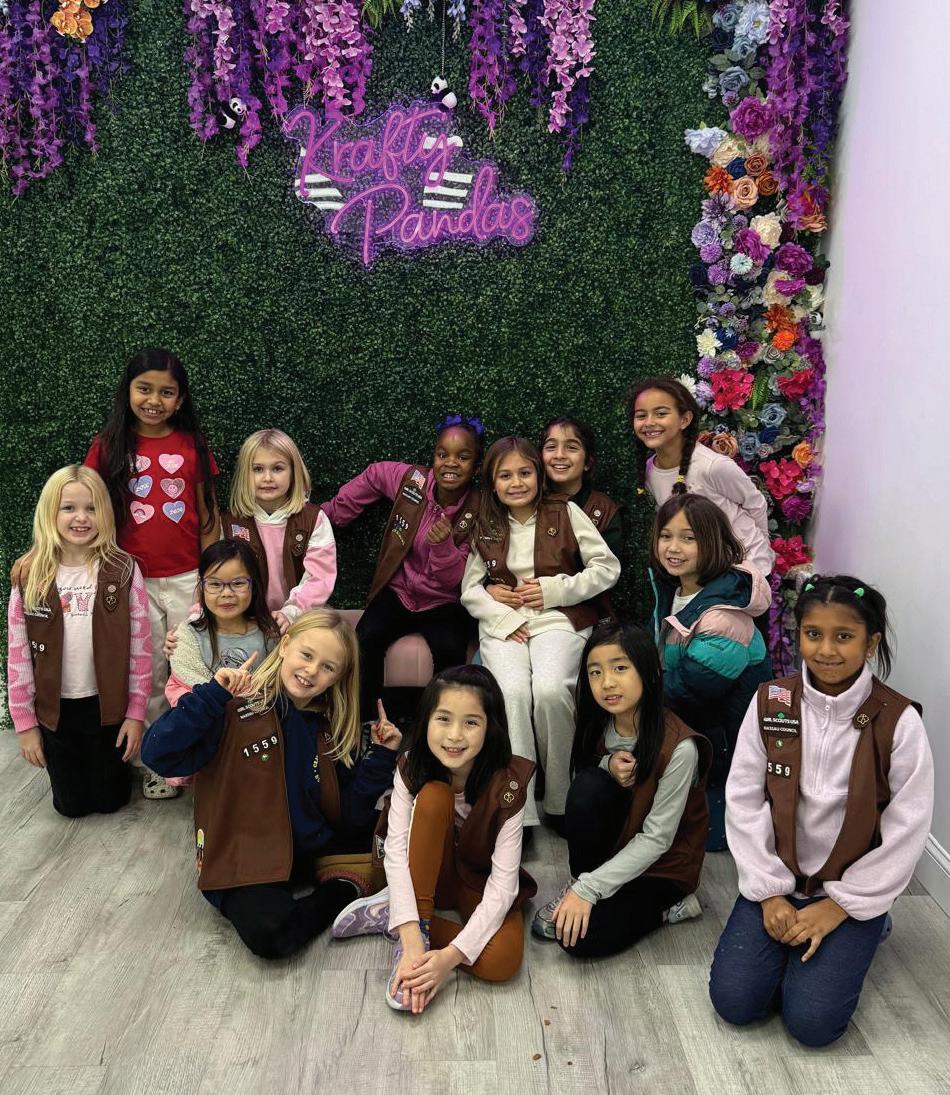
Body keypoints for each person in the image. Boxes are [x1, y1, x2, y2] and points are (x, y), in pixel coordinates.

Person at [709, 576, 934, 1047]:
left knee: (812, 1025)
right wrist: (769, 893)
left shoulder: (899, 721)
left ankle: (871, 921)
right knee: (736, 1003)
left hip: (847, 891)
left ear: (871, 643)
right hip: (778, 880)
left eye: (844, 636)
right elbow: (744, 800)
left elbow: (906, 830)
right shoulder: (770, 703)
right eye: (814, 634)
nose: (826, 650)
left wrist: (842, 906)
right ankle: (798, 942)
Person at [141, 609, 401, 959]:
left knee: (401, 834)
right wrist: (210, 696)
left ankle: (353, 883)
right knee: (271, 935)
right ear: (285, 645)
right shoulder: (231, 706)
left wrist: (382, 755)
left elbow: (349, 813)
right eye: (306, 655)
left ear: (339, 677)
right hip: (248, 856)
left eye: (328, 667)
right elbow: (157, 754)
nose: (311, 670)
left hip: (309, 848)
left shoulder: (330, 726)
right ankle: (345, 889)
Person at [331, 665, 536, 1013]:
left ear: (491, 728)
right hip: (425, 875)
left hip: (475, 878)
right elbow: (396, 851)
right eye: (443, 719)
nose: (454, 735)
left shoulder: (509, 782)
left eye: (471, 722)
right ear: (426, 720)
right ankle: (412, 928)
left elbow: (503, 887)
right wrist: (413, 941)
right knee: (435, 795)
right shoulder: (411, 765)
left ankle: (391, 916)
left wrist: (447, 959)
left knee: (503, 960)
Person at [461, 436, 620, 829]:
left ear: (538, 475)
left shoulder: (564, 511)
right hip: (504, 624)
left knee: (550, 691)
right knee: (512, 694)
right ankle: (520, 809)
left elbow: (607, 567)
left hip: (558, 617)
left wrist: (555, 590)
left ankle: (560, 800)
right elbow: (469, 590)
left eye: (525, 473)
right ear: (492, 482)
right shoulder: (485, 521)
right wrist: (500, 614)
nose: (516, 483)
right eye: (505, 476)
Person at [85, 348, 220, 799]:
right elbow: (87, 508)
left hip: (187, 578)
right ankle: (157, 763)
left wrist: (210, 576)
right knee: (149, 671)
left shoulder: (193, 445)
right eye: (144, 389)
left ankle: (200, 757)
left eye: (166, 392)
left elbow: (207, 517)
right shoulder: (108, 446)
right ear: (128, 391)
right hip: (131, 581)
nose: (154, 400)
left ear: (180, 400)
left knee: (191, 666)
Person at [532, 622, 710, 955]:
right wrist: (607, 765)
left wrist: (590, 890)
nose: (607, 683)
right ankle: (581, 881)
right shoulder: (598, 719)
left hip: (663, 866)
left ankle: (673, 907)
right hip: (620, 844)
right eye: (595, 672)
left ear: (649, 672)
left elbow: (657, 839)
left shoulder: (680, 748)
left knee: (578, 938)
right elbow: (588, 786)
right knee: (587, 786)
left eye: (620, 668)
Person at [6, 466, 150, 817]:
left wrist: (135, 714)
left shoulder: (123, 570)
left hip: (107, 708)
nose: (81, 518)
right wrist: (25, 725)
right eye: (69, 508)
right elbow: (18, 655)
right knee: (70, 806)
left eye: (91, 508)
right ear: (49, 513)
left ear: (105, 513)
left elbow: (141, 649)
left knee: (110, 801)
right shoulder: (29, 574)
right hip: (56, 712)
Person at [321, 414, 484, 720]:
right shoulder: (414, 481)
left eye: (463, 457)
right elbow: (375, 474)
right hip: (399, 592)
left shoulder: (479, 508)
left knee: (450, 650)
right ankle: (367, 721)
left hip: (444, 602)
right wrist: (327, 516)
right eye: (442, 454)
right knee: (365, 639)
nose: (450, 463)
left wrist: (443, 546)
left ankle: (437, 725)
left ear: (476, 467)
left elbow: (455, 581)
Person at [650, 493, 772, 848]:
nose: (673, 547)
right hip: (698, 726)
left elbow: (694, 687)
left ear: (713, 543)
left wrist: (640, 694)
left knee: (707, 836)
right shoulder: (675, 588)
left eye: (688, 538)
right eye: (666, 536)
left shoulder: (722, 615)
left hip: (722, 741)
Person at [628, 377, 773, 578]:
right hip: (704, 572)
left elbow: (755, 503)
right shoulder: (649, 471)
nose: (649, 422)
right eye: (641, 415)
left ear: (684, 420)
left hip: (745, 569)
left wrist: (761, 552)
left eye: (661, 413)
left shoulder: (712, 466)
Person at [221, 429, 336, 634]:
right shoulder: (229, 522)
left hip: (300, 617)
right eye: (257, 469)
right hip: (244, 620)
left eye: (277, 468)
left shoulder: (313, 519)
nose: (267, 478)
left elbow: (319, 577)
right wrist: (197, 616)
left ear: (293, 472)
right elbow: (214, 575)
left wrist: (292, 612)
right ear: (244, 474)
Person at [165, 539, 279, 707]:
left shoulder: (271, 634)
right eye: (214, 584)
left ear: (253, 585)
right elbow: (184, 697)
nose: (226, 593)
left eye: (238, 583)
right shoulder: (187, 637)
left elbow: (277, 687)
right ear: (201, 585)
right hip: (206, 721)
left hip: (259, 721)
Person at [539, 416, 623, 559]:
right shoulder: (528, 502)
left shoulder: (604, 510)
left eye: (571, 448)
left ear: (588, 463)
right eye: (551, 447)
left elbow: (610, 567)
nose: (559, 455)